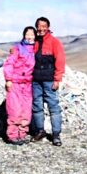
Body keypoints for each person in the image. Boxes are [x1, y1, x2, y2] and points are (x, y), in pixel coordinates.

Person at [31, 17, 65, 146]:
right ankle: (40, 131)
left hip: (49, 80)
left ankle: (56, 134)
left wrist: (57, 79)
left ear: (48, 27)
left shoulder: (54, 42)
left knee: (53, 107)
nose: (41, 29)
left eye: (44, 26)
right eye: (39, 26)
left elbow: (60, 60)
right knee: (37, 106)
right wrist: (14, 50)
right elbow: (23, 51)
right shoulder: (34, 42)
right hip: (35, 80)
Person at [3, 26, 36, 145]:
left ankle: (22, 134)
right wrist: (8, 79)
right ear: (24, 35)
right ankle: (12, 135)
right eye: (27, 34)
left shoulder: (36, 49)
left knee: (26, 111)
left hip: (28, 84)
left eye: (32, 34)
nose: (30, 36)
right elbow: (9, 63)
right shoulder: (18, 48)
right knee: (14, 109)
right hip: (16, 82)